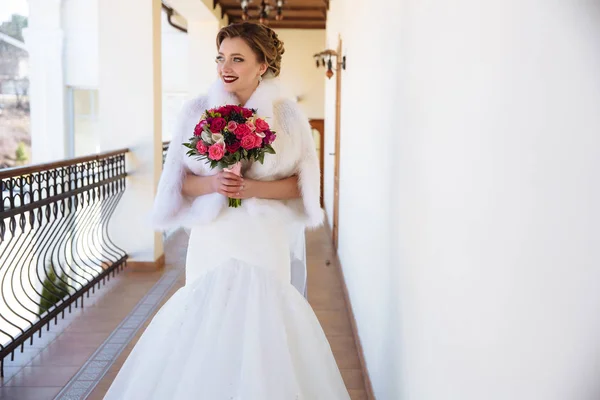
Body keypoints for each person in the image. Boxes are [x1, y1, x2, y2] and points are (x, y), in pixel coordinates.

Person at [103, 22, 350, 399]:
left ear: (262, 65)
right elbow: (179, 182)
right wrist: (215, 185)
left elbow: (301, 187)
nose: (225, 67)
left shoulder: (286, 116)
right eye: (220, 58)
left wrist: (253, 188)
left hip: (263, 236)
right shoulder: (196, 110)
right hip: (213, 233)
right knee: (206, 315)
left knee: (265, 319)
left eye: (237, 58)